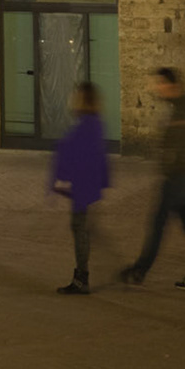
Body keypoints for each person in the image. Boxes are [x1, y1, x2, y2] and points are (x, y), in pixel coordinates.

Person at [119, 67, 185, 292]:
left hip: (177, 178)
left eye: (160, 84)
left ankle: (140, 270)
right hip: (183, 177)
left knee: (158, 225)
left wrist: (168, 165)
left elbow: (179, 147)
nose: (156, 88)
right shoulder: (181, 107)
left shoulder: (180, 111)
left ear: (171, 85)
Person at [50, 82, 111, 294]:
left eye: (75, 95)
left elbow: (77, 152)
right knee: (82, 228)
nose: (71, 98)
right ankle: (82, 275)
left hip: (82, 186)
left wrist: (64, 176)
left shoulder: (86, 124)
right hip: (88, 185)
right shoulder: (93, 123)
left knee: (79, 228)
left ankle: (81, 278)